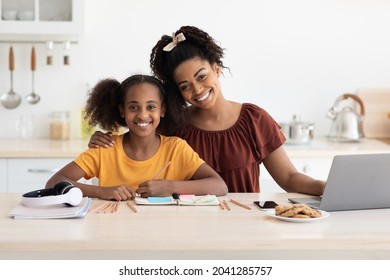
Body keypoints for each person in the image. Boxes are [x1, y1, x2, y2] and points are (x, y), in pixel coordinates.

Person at [88, 26, 325, 195]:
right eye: (185, 86)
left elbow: (289, 178)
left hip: (245, 225)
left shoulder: (254, 119)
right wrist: (102, 140)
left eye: (202, 76)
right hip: (189, 228)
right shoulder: (174, 125)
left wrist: (325, 187)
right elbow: (136, 132)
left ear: (217, 68)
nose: (198, 89)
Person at [46, 74, 228, 201]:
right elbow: (53, 183)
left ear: (162, 110)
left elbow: (219, 186)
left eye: (151, 107)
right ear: (122, 110)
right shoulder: (106, 149)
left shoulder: (176, 148)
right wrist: (101, 191)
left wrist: (171, 187)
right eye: (133, 107)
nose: (142, 115)